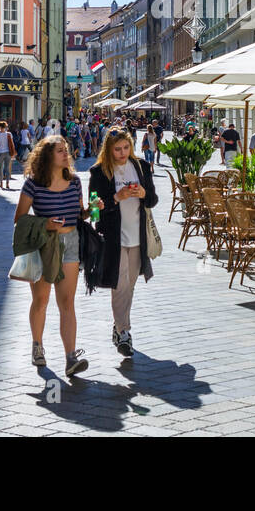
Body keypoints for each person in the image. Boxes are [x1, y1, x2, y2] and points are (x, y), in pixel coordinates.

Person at [15, 136, 87, 377]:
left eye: (66, 150)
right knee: (41, 301)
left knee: (67, 302)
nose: (66, 154)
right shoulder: (33, 184)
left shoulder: (75, 182)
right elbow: (20, 219)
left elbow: (78, 215)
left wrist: (91, 210)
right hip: (44, 245)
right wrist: (45, 224)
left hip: (71, 243)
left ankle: (70, 357)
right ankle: (37, 345)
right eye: (60, 151)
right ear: (48, 156)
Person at [88, 127, 158, 359]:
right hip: (113, 238)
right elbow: (94, 213)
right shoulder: (99, 172)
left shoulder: (141, 167)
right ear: (108, 150)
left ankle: (119, 327)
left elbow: (153, 199)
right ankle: (123, 331)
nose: (122, 153)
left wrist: (142, 194)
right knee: (120, 285)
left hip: (138, 236)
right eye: (117, 149)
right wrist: (116, 199)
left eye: (126, 148)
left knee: (129, 285)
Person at [0, 121, 17, 190]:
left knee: (0, 168)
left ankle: (1, 183)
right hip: (8, 153)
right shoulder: (9, 134)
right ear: (6, 126)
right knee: (7, 168)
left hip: (0, 153)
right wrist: (13, 153)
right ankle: (7, 183)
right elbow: (12, 144)